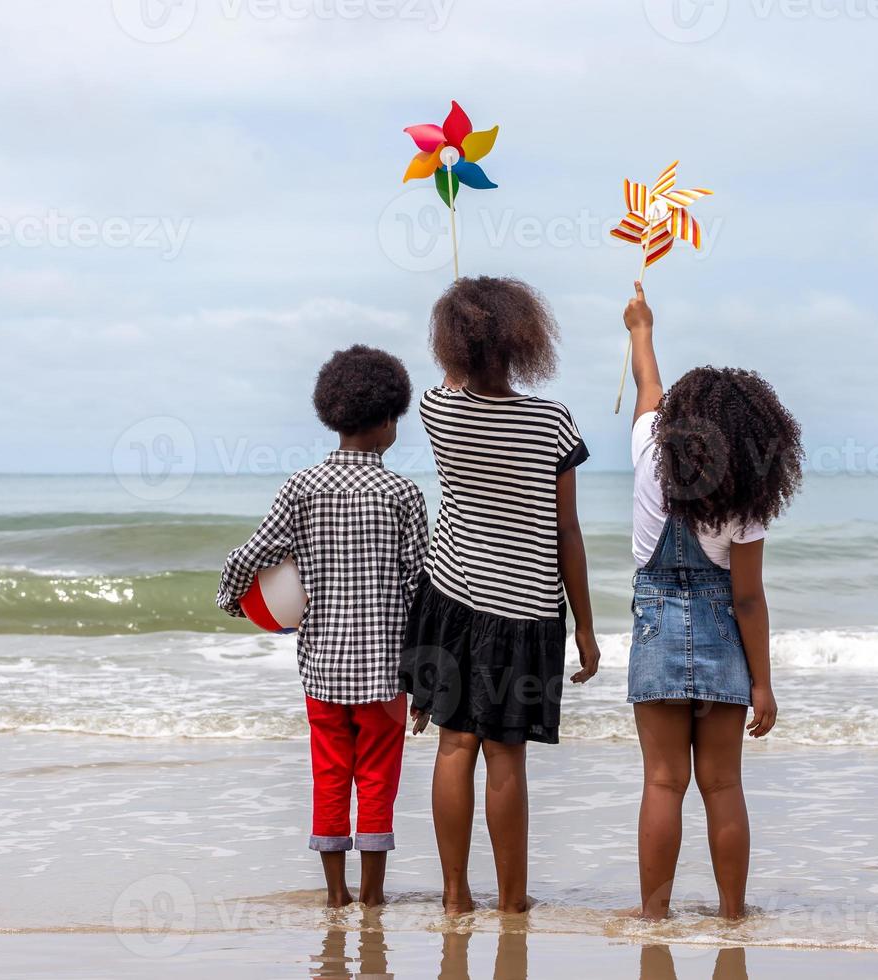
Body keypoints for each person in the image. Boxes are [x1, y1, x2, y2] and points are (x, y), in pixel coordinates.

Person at [400, 275, 601, 915]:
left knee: (454, 745)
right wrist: (586, 628)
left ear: (452, 342)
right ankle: (513, 900)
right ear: (523, 339)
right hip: (526, 611)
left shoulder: (438, 409)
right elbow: (567, 531)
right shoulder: (552, 421)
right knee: (506, 755)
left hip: (451, 596)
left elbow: (454, 387)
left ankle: (456, 896)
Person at [217, 345, 429, 908]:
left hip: (323, 671)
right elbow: (418, 586)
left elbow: (253, 554)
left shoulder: (302, 486)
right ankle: (374, 896)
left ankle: (336, 897)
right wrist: (425, 675)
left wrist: (233, 601)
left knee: (330, 777)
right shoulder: (403, 493)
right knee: (379, 780)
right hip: (386, 676)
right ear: (387, 420)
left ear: (333, 414)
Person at [622, 282, 803, 920]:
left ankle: (655, 915)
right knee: (723, 786)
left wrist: (640, 328)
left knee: (663, 783)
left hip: (655, 638)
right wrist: (764, 685)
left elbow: (647, 386)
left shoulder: (648, 448)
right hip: (725, 644)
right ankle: (731, 914)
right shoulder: (745, 501)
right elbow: (748, 600)